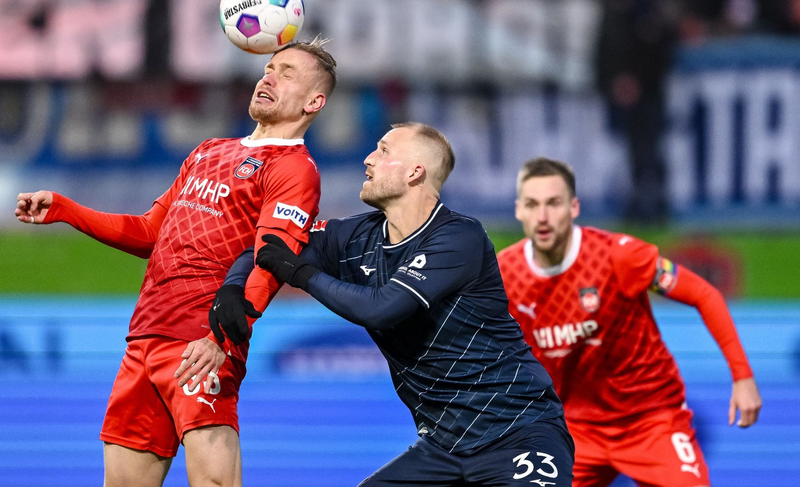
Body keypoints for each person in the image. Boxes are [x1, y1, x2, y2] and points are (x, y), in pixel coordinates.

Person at [14, 37, 337, 487]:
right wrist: (68, 210)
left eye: (287, 73)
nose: (269, 77)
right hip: (144, 337)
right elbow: (151, 231)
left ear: (314, 101)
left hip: (199, 342)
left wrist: (219, 338)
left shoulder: (293, 169)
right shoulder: (208, 150)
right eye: (269, 68)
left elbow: (273, 259)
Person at [214, 122, 575, 486]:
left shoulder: (458, 236)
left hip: (518, 432)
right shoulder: (355, 236)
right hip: (443, 448)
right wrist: (232, 288)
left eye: (384, 151)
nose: (369, 159)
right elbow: (271, 244)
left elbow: (383, 308)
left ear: (416, 172)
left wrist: (302, 275)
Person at [497, 157, 763, 487]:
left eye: (553, 203)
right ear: (518, 210)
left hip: (651, 419)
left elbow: (704, 294)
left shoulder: (618, 256)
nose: (543, 217)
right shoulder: (502, 275)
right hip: (572, 428)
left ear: (574, 207)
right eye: (532, 204)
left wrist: (742, 376)